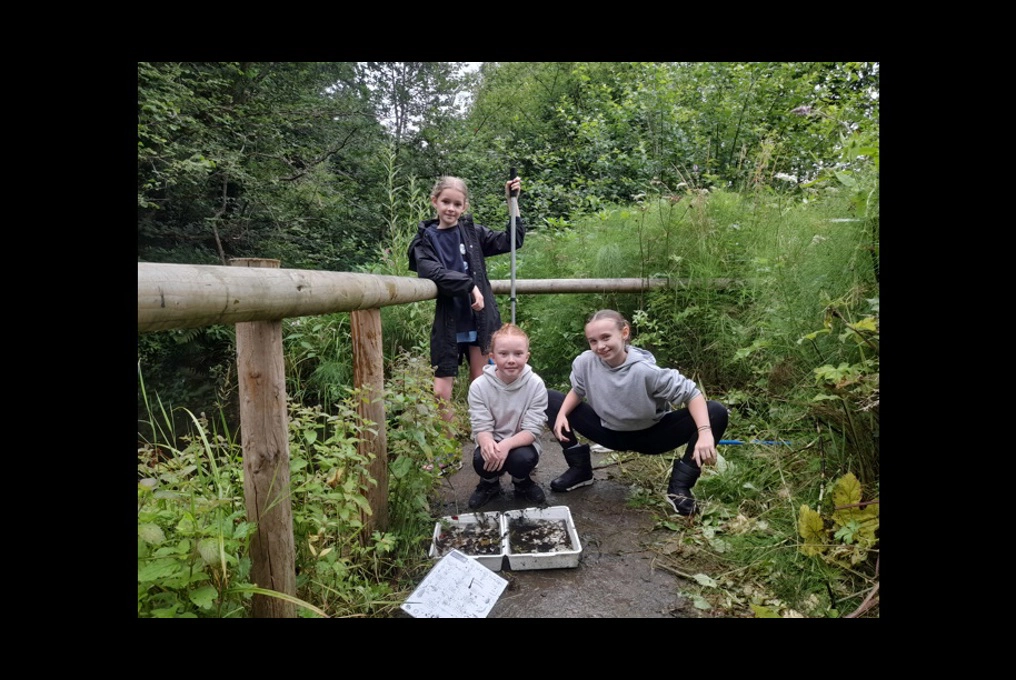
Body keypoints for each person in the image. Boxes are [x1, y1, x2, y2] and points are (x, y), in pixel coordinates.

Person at [545, 309, 729, 516]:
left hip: (651, 436)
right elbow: (578, 390)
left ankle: (680, 488)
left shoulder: (646, 371)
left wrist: (704, 432)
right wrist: (562, 414)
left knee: (716, 411)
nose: (600, 346)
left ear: (624, 333)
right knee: (550, 399)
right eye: (593, 341)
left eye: (606, 337)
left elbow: (692, 394)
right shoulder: (585, 362)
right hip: (608, 432)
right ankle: (580, 470)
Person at [408, 175, 525, 434]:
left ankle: (486, 439)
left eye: (457, 204)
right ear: (434, 201)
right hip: (449, 322)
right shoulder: (424, 240)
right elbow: (431, 271)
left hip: (480, 320)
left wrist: (511, 202)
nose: (451, 208)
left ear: (465, 206)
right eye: (446, 202)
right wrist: (469, 285)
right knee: (440, 392)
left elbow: (512, 241)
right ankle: (448, 448)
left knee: (481, 385)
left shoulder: (472, 233)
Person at [466, 323, 547, 509]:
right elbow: (480, 425)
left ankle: (522, 482)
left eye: (518, 354)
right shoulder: (479, 386)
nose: (511, 360)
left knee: (522, 459)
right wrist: (487, 442)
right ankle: (489, 483)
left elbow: (533, 429)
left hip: (522, 442)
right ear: (492, 357)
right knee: (481, 458)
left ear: (527, 356)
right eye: (503, 354)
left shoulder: (536, 385)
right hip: (492, 440)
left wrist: (506, 445)